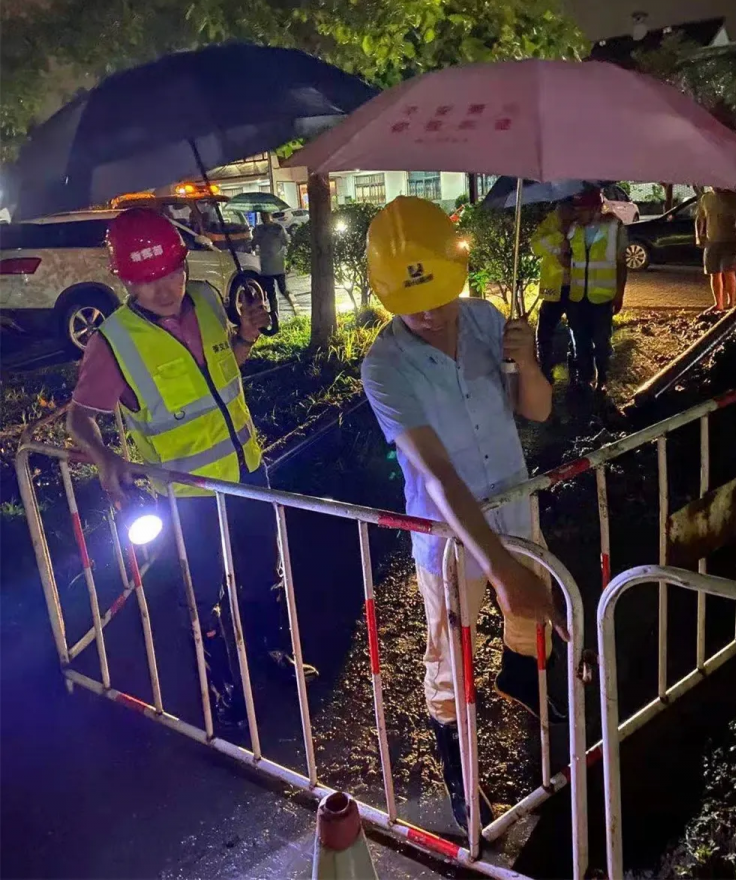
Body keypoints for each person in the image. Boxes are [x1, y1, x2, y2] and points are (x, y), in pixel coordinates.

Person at [361, 196, 565, 834]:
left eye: (439, 296)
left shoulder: (485, 320)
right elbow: (439, 475)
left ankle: (528, 694)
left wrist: (528, 362)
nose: (429, 313)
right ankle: (462, 780)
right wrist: (502, 570)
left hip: (516, 510)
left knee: (530, 626)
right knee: (451, 657)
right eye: (412, 303)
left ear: (459, 274)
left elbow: (537, 411)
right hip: (449, 537)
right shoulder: (384, 366)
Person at [67, 207, 312, 727]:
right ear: (126, 281)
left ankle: (269, 652)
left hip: (248, 473)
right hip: (186, 495)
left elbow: (224, 368)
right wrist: (105, 456)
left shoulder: (204, 299)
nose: (164, 288)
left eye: (171, 271)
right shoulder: (112, 342)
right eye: (147, 279)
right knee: (202, 595)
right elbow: (79, 417)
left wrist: (245, 335)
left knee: (260, 573)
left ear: (184, 265)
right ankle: (220, 685)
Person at [565, 188, 627, 392]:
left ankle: (602, 378)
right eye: (576, 209)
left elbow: (621, 263)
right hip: (577, 296)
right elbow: (569, 258)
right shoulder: (573, 229)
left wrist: (619, 294)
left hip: (602, 297)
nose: (578, 213)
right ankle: (585, 379)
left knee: (601, 342)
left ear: (596, 208)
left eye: (582, 209)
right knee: (579, 341)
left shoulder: (614, 227)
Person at [530, 201, 578, 382]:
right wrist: (559, 237)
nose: (566, 211)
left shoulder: (582, 223)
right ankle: (545, 367)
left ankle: (577, 368)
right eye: (563, 207)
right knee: (544, 331)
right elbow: (535, 247)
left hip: (576, 287)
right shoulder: (551, 223)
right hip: (554, 288)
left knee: (578, 331)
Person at [695, 187, 736, 312]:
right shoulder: (706, 198)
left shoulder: (733, 197)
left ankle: (731, 303)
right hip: (712, 241)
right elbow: (700, 218)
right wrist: (698, 235)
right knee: (714, 272)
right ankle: (718, 304)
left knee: (728, 271)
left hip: (731, 241)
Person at [252, 209, 298, 323]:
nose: (264, 217)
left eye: (265, 215)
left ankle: (291, 309)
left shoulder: (272, 229)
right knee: (274, 293)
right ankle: (277, 316)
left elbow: (286, 242)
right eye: (262, 215)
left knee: (279, 291)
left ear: (269, 216)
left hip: (274, 265)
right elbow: (254, 245)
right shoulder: (264, 229)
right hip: (270, 265)